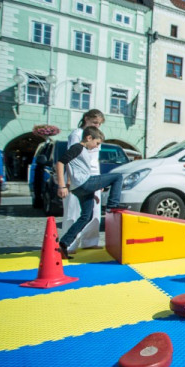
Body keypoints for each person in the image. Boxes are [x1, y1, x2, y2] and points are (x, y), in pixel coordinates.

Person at [56, 127, 127, 259]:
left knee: (86, 217)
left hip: (81, 188)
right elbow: (60, 163)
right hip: (84, 183)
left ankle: (64, 244)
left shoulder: (83, 151)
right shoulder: (77, 147)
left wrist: (92, 190)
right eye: (97, 143)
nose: (96, 147)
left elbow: (73, 167)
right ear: (89, 138)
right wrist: (61, 185)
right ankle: (113, 206)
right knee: (117, 177)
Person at [62, 109, 105, 253]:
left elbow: (95, 161)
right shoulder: (77, 134)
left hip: (93, 176)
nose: (97, 126)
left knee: (94, 211)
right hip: (78, 177)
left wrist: (100, 181)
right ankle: (69, 244)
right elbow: (70, 158)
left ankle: (90, 241)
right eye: (94, 122)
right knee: (74, 211)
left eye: (99, 124)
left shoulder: (96, 136)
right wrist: (68, 181)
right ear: (86, 119)